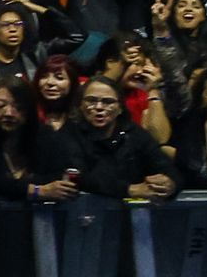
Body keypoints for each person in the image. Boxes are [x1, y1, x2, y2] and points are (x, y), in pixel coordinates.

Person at [35, 75, 178, 201]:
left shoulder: (134, 134)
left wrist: (169, 184)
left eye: (108, 102)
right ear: (80, 105)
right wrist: (129, 189)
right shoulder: (68, 134)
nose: (99, 107)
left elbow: (167, 167)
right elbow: (80, 177)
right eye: (91, 100)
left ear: (120, 108)